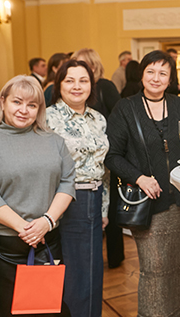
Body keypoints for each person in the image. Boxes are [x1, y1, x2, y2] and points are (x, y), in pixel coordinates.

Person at [0, 75, 75, 317]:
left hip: (47, 243)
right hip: (1, 250)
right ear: (3, 102)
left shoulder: (55, 141)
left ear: (39, 109)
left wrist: (46, 222)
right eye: (17, 102)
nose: (24, 110)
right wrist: (26, 228)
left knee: (49, 309)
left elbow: (67, 182)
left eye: (32, 105)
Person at [105, 50, 180, 317]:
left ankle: (179, 312)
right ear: (142, 74)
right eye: (151, 72)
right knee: (155, 269)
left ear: (170, 79)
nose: (156, 78)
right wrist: (140, 178)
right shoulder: (126, 108)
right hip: (149, 204)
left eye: (163, 73)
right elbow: (112, 155)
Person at [46, 60, 109, 317]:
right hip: (64, 201)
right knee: (72, 271)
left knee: (92, 269)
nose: (76, 86)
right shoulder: (47, 117)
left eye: (83, 80)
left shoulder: (98, 119)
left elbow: (104, 168)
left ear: (91, 85)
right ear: (58, 84)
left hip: (94, 200)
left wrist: (104, 207)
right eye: (69, 80)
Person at [71, 48, 123, 268]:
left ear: (93, 66)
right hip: (80, 164)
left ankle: (115, 257)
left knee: (111, 209)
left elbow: (120, 118)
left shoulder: (106, 87)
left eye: (83, 65)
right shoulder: (73, 93)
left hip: (105, 157)